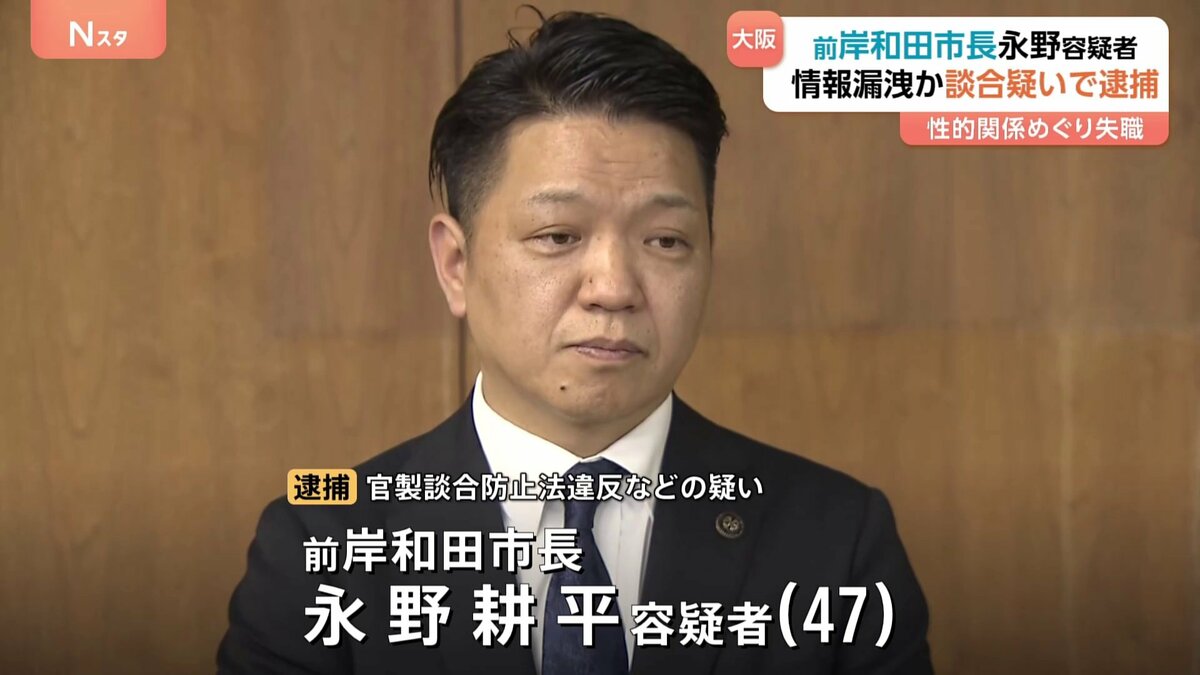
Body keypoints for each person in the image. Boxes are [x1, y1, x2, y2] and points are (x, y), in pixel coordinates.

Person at [217, 9, 932, 675]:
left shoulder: (837, 540)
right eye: (559, 235)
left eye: (665, 240)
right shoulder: (321, 547)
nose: (614, 287)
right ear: (457, 265)